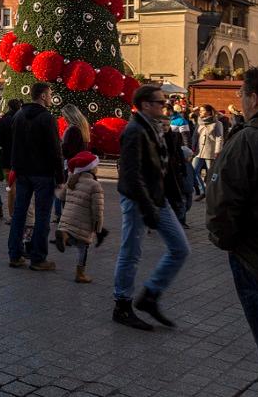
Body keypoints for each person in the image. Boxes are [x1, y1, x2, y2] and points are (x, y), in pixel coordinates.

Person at [206, 65, 258, 392]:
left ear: (255, 98)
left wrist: (226, 240)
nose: (239, 99)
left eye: (241, 94)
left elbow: (222, 203)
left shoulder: (249, 140)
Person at [112, 84, 190, 331]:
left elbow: (163, 167)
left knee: (180, 248)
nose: (165, 106)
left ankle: (150, 295)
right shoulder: (135, 131)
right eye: (160, 103)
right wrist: (148, 209)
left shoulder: (156, 128)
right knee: (131, 252)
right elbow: (132, 175)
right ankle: (122, 305)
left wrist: (174, 196)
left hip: (157, 198)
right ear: (145, 105)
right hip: (138, 199)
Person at [7, 82, 63, 272]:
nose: (51, 97)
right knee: (42, 216)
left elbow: (12, 144)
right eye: (49, 94)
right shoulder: (47, 118)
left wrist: (14, 167)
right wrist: (60, 176)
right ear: (42, 96)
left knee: (19, 214)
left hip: (23, 172)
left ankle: (15, 255)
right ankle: (38, 258)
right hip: (43, 174)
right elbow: (55, 149)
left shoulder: (18, 115)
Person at [54, 151, 107, 284]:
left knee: (73, 238)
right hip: (83, 222)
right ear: (92, 168)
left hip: (67, 220)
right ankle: (80, 274)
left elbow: (61, 197)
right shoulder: (95, 185)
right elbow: (98, 210)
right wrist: (98, 227)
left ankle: (65, 236)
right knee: (83, 248)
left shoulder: (72, 180)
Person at [192, 104, 223, 202]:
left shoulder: (217, 123)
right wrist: (192, 147)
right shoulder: (199, 122)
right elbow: (195, 136)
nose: (200, 112)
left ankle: (212, 193)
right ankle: (204, 191)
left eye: (202, 110)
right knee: (193, 171)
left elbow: (219, 138)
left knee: (211, 174)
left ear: (209, 112)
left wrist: (218, 151)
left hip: (211, 151)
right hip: (198, 151)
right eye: (200, 110)